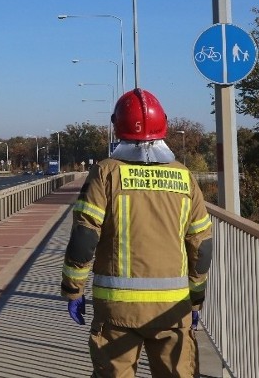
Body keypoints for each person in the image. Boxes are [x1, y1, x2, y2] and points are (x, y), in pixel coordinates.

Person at [61, 88, 213, 377]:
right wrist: (196, 299)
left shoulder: (106, 173)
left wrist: (73, 289)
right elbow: (202, 246)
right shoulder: (184, 176)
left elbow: (84, 237)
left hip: (117, 310)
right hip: (172, 309)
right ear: (164, 124)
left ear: (117, 126)